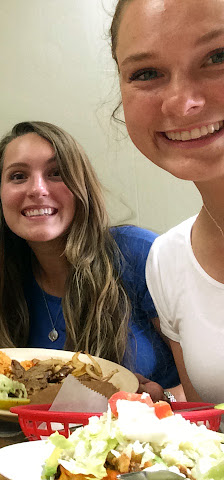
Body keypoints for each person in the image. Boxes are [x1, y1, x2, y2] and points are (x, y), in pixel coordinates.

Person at [0, 121, 181, 400]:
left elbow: (208, 384)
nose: (37, 189)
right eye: (18, 176)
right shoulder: (10, 282)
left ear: (82, 188)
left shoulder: (139, 253)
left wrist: (162, 401)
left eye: (57, 173)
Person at [110, 0, 224, 403]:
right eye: (146, 73)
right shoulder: (168, 260)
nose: (181, 102)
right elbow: (205, 433)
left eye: (218, 56)